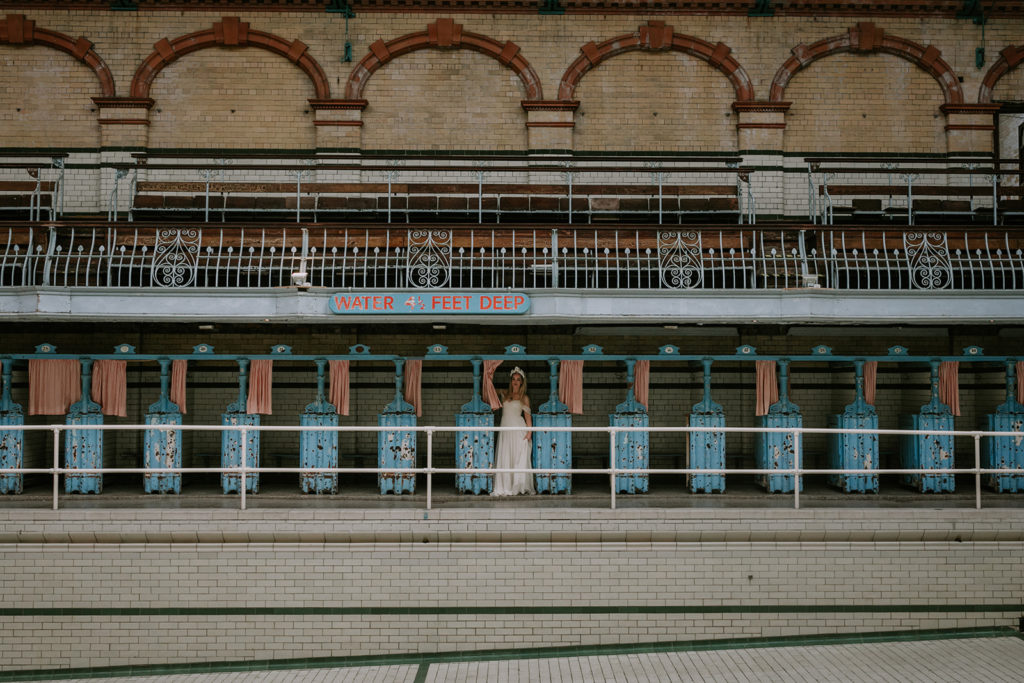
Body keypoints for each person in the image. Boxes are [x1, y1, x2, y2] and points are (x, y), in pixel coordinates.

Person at [491, 366, 535, 496]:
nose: (515, 381)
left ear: (522, 382)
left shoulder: (524, 398)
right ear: (511, 381)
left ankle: (517, 485)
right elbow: (490, 390)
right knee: (506, 456)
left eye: (518, 379)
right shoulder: (505, 394)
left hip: (517, 429)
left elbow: (528, 418)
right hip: (505, 429)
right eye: (513, 379)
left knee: (516, 457)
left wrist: (529, 433)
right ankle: (506, 485)